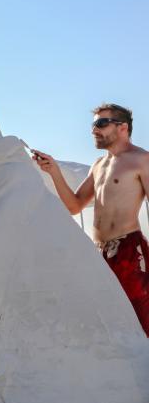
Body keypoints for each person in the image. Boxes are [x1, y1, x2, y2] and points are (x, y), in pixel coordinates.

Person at [32, 103, 149, 336]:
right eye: (93, 125)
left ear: (122, 127)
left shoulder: (141, 160)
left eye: (101, 123)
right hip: (98, 252)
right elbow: (74, 206)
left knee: (141, 319)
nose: (94, 130)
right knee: (106, 320)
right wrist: (53, 171)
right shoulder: (99, 165)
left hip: (129, 250)